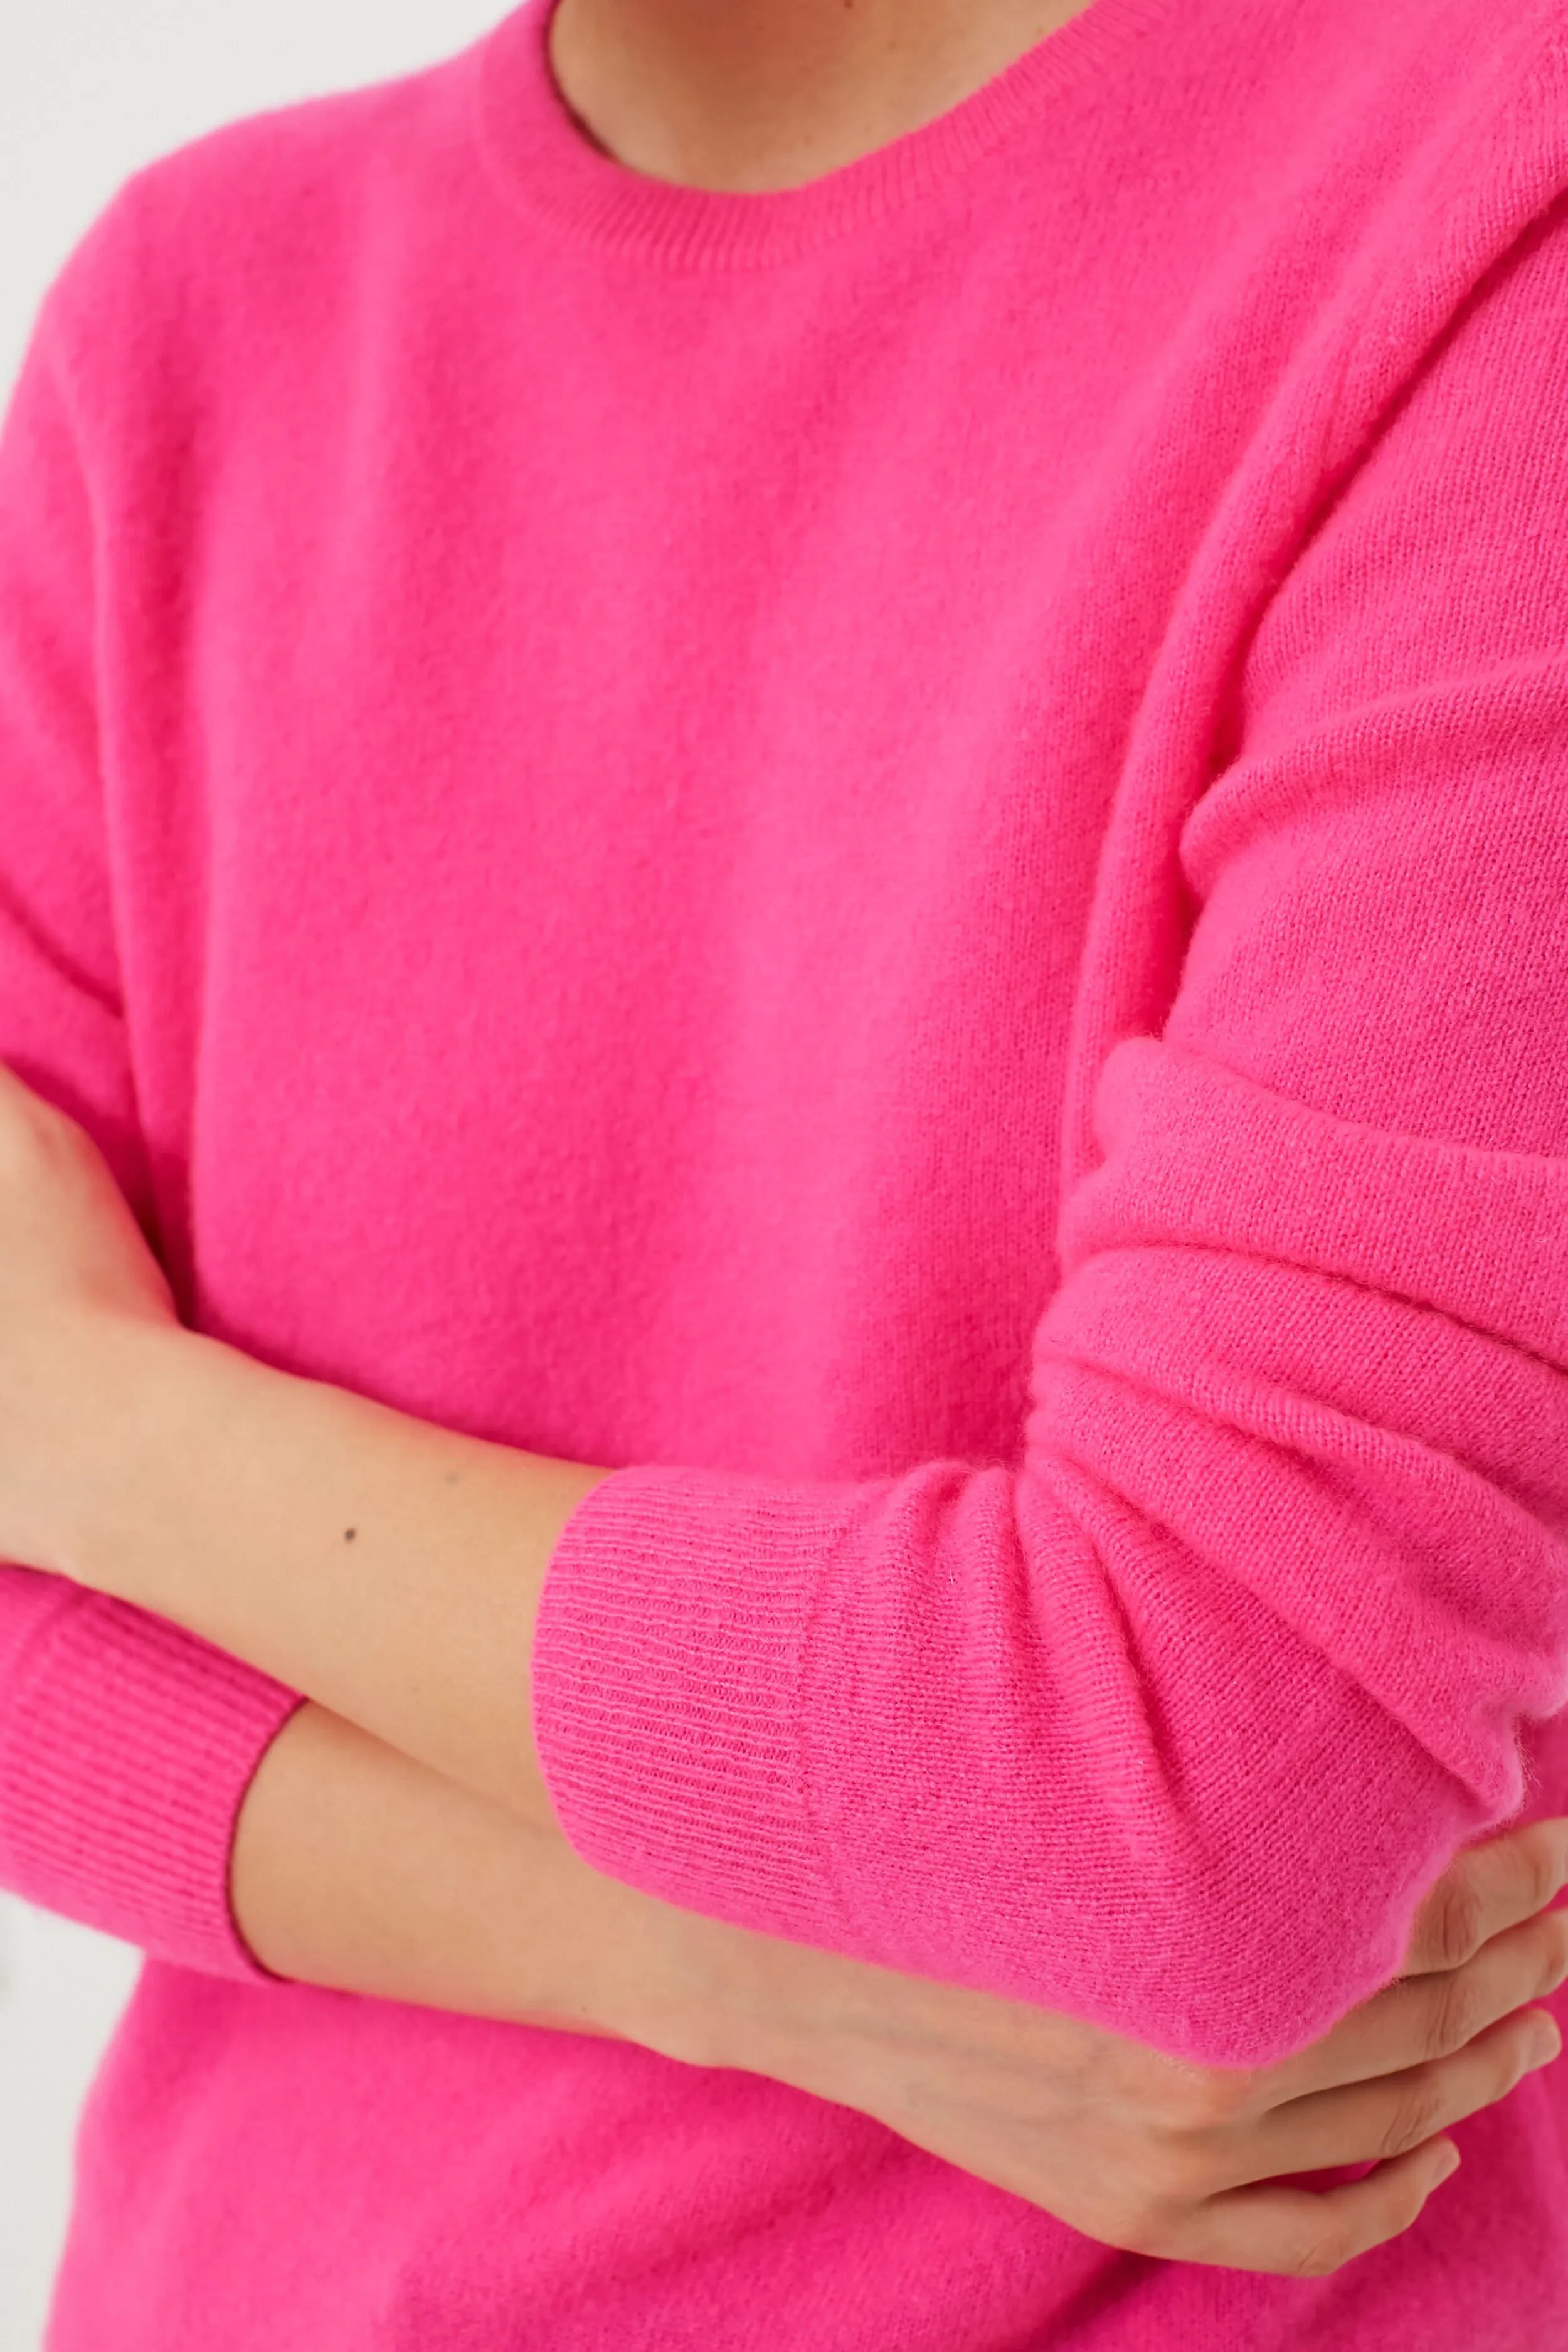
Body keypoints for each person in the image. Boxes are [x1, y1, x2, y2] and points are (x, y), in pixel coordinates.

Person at [2, 0, 1567, 2341]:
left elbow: (1188, 1788)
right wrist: (746, 1965)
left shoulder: (1474, 200)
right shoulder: (187, 318)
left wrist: (95, 1426)